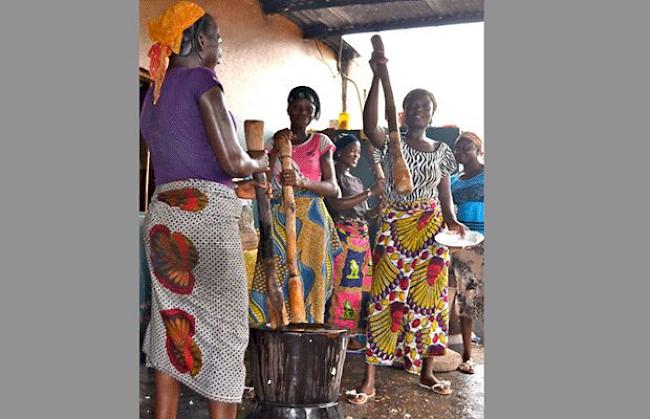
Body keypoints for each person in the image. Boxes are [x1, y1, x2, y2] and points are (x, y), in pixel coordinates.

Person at [139, 3, 269, 418]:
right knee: (226, 331)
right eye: (217, 38)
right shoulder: (202, 79)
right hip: (204, 223)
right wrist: (261, 163)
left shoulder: (155, 91)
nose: (221, 47)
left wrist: (235, 185)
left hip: (164, 213)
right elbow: (232, 161)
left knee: (171, 323)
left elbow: (188, 162)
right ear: (198, 40)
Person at [345, 53, 467, 404]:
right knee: (385, 298)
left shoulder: (442, 151)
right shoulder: (391, 142)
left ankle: (426, 371)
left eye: (424, 106)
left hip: (431, 230)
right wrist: (375, 78)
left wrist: (452, 218)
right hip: (394, 227)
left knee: (429, 300)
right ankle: (369, 380)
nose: (417, 110)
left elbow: (444, 192)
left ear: (432, 113)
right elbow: (370, 127)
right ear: (403, 111)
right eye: (412, 105)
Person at [249, 86, 343, 324]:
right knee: (275, 272)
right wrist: (278, 149)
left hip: (312, 220)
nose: (302, 113)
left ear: (314, 113)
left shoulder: (321, 142)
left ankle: (309, 330)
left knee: (311, 279)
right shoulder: (274, 142)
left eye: (308, 109)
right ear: (288, 110)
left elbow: (333, 188)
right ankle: (277, 327)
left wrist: (303, 182)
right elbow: (265, 181)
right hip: (281, 217)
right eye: (297, 108)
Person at [325, 133, 385, 351]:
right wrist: (370, 192)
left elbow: (361, 212)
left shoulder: (356, 180)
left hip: (361, 239)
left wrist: (374, 211)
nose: (356, 156)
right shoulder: (333, 178)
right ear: (339, 152)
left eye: (358, 153)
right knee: (343, 288)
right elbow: (338, 204)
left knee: (359, 289)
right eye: (352, 151)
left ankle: (351, 333)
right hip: (344, 239)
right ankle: (338, 333)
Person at [449, 131, 485, 374]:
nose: (462, 153)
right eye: (458, 149)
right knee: (467, 300)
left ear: (478, 149)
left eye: (467, 148)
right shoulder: (453, 181)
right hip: (465, 244)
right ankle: (467, 357)